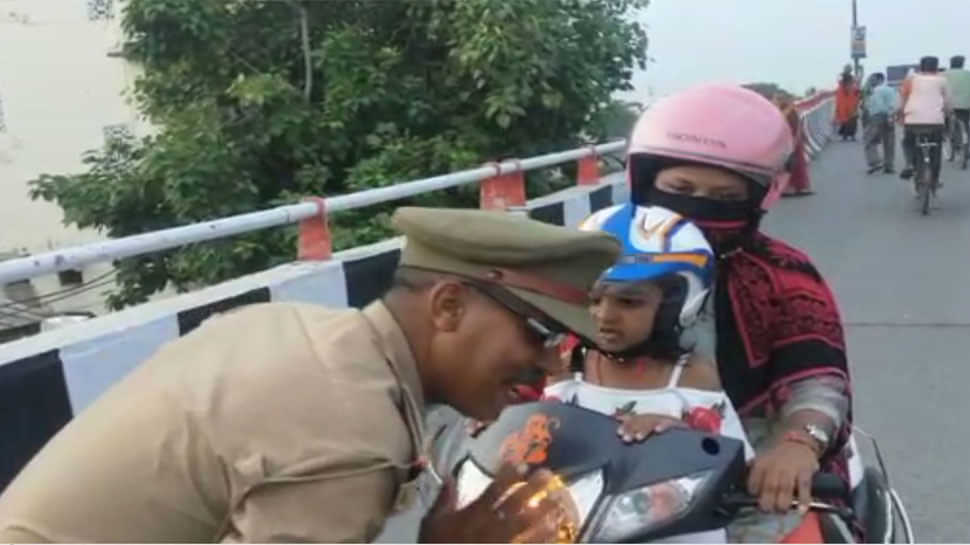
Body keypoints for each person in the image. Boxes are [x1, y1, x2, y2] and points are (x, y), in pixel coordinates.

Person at [0, 207, 621, 542]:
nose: (551, 364)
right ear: (449, 307)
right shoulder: (349, 429)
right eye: (540, 333)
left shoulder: (304, 330)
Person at [627, 84, 854, 543]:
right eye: (680, 189)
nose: (697, 205)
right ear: (646, 182)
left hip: (749, 473)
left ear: (756, 199)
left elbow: (817, 378)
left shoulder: (784, 274)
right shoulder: (596, 262)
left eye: (723, 196)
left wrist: (798, 442)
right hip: (609, 469)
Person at [545, 203, 754, 543]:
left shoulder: (690, 378)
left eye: (628, 302)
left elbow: (734, 470)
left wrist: (680, 437)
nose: (604, 315)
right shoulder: (566, 367)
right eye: (594, 300)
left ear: (675, 304)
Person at [899, 56, 951, 196]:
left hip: (913, 121)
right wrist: (947, 114)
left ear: (921, 67)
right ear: (936, 67)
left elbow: (903, 98)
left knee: (908, 142)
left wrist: (901, 113)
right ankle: (935, 180)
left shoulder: (911, 79)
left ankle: (910, 163)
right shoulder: (942, 80)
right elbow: (947, 103)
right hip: (935, 123)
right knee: (936, 149)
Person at [863, 73, 899, 174]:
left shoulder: (874, 91)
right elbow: (896, 104)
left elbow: (868, 106)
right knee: (889, 142)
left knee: (869, 139)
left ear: (879, 79)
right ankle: (889, 166)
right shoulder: (891, 90)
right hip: (890, 116)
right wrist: (891, 115)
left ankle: (875, 162)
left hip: (876, 117)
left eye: (872, 79)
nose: (871, 81)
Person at [944, 55, 970, 159]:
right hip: (966, 105)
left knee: (947, 123)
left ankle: (949, 138)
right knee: (966, 124)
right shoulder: (968, 74)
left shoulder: (944, 74)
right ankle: (966, 145)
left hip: (950, 105)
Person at [834, 70, 861, 141]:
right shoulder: (850, 86)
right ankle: (850, 136)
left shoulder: (842, 86)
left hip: (847, 108)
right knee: (850, 123)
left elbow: (857, 95)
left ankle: (846, 136)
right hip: (850, 108)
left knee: (847, 123)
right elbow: (857, 95)